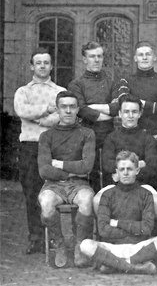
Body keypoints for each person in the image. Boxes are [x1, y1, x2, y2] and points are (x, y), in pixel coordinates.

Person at [80, 151, 157, 275]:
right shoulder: (107, 195)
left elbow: (147, 228)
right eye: (122, 169)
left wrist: (117, 223)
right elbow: (103, 230)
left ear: (137, 171)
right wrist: (133, 229)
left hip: (138, 247)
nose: (125, 173)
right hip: (112, 248)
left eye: (129, 169)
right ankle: (135, 267)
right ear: (117, 172)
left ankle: (114, 265)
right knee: (85, 245)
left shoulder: (145, 194)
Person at [13, 48, 66, 254]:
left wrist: (38, 118)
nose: (43, 66)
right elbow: (22, 111)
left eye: (46, 62)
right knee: (31, 192)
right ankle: (35, 237)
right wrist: (47, 109)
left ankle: (52, 236)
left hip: (51, 147)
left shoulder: (59, 91)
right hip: (29, 146)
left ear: (51, 66)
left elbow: (61, 115)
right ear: (31, 66)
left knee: (52, 192)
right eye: (39, 62)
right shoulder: (23, 92)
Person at [37, 91, 95, 268]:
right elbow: (44, 170)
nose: (68, 111)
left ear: (78, 109)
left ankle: (79, 244)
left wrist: (60, 164)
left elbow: (87, 167)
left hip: (79, 185)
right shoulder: (46, 136)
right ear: (58, 109)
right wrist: (72, 171)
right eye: (64, 107)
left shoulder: (87, 133)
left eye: (72, 107)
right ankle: (59, 242)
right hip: (53, 185)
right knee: (46, 203)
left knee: (86, 200)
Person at [93, 94, 157, 219]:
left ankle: (149, 235)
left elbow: (152, 167)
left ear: (140, 114)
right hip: (116, 185)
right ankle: (108, 236)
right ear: (119, 113)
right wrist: (138, 164)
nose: (130, 115)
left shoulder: (147, 138)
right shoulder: (111, 138)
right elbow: (107, 165)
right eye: (126, 112)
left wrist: (121, 170)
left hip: (141, 184)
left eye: (134, 112)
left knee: (156, 203)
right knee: (97, 201)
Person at [68, 41, 119, 192]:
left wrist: (93, 107)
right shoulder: (76, 84)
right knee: (89, 180)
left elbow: (117, 108)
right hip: (86, 137)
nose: (96, 60)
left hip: (109, 137)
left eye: (99, 56)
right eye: (92, 56)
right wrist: (107, 113)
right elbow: (82, 110)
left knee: (109, 178)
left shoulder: (111, 82)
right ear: (85, 59)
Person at [116, 41, 157, 136]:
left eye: (148, 54)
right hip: (132, 135)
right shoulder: (126, 80)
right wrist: (156, 106)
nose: (144, 58)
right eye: (140, 55)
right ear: (135, 58)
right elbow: (123, 106)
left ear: (154, 57)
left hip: (156, 134)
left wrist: (140, 103)